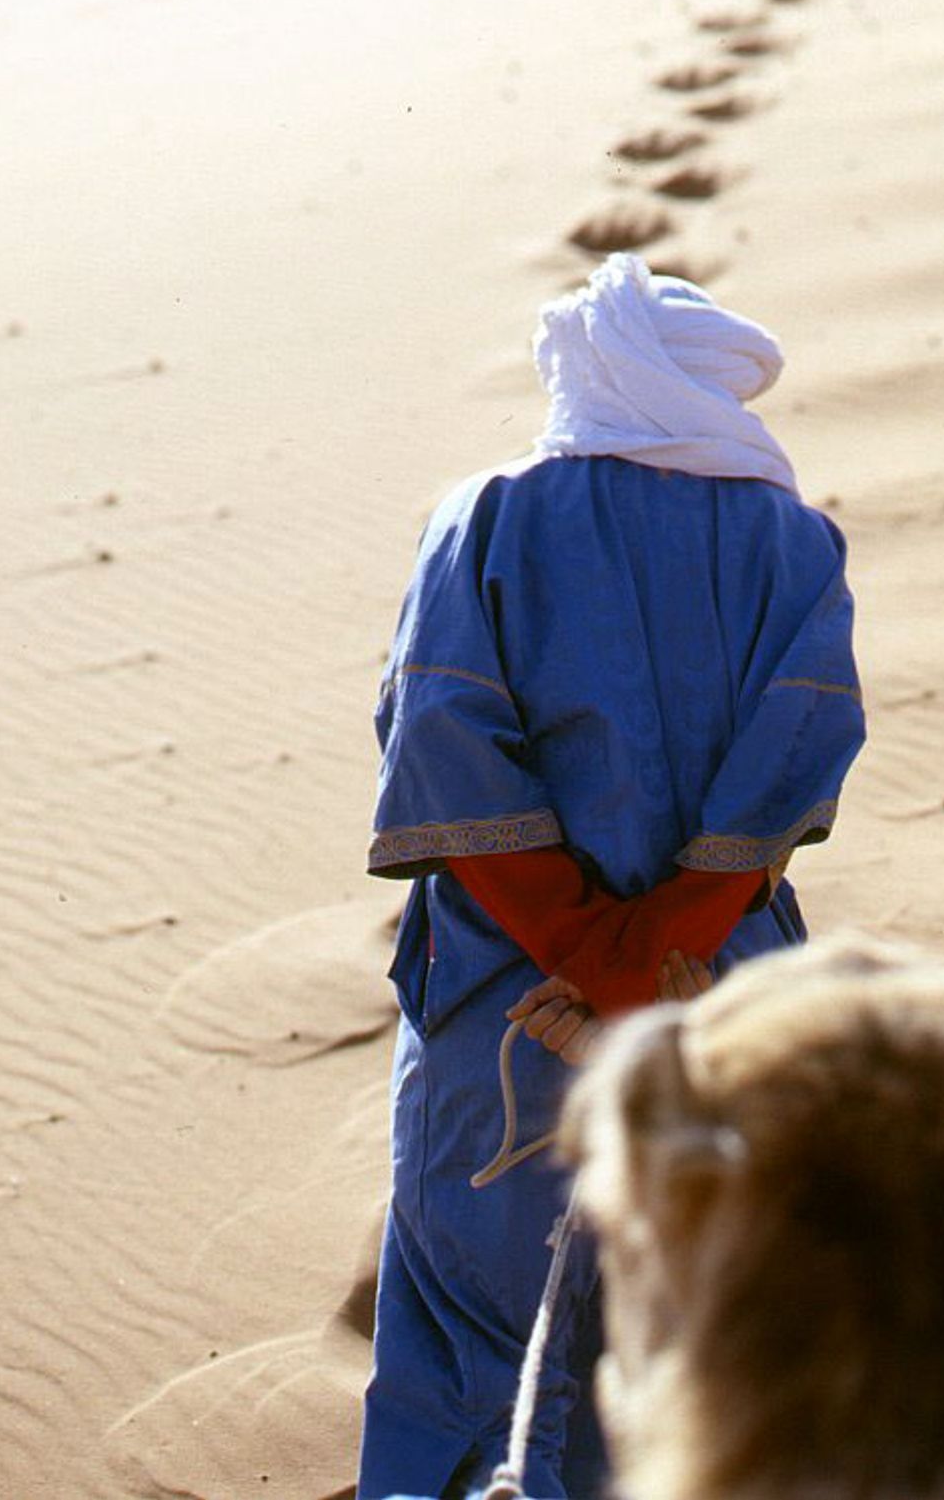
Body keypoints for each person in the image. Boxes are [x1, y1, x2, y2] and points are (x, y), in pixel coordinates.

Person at [357, 253, 866, 1500]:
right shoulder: (791, 544)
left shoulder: (480, 516)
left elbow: (442, 747)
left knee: (474, 1327)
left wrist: (588, 957)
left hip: (505, 997)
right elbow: (793, 760)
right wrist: (645, 970)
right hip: (711, 987)